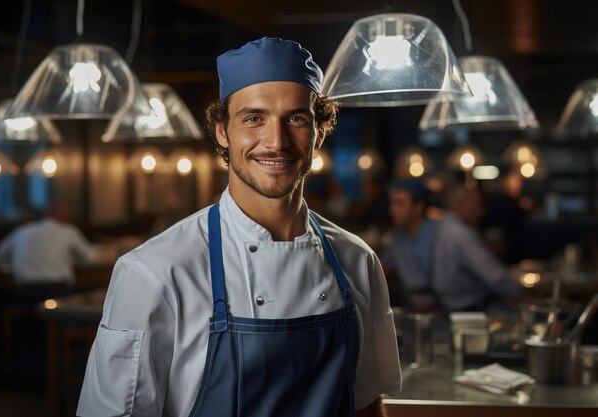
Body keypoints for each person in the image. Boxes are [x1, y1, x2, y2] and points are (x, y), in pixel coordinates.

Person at [78, 37, 401, 417]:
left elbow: (366, 406)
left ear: (320, 132)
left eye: (296, 118)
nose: (276, 141)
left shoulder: (358, 261)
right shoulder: (153, 272)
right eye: (253, 119)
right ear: (222, 131)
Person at [383, 178, 521, 313]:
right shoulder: (398, 239)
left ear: (418, 207)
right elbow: (384, 268)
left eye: (400, 204)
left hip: (470, 312)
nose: (392, 210)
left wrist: (521, 295)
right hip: (426, 316)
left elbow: (496, 276)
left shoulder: (453, 232)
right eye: (391, 203)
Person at [0, 201, 96, 290]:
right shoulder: (68, 230)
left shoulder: (22, 231)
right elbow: (89, 259)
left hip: (25, 291)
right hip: (57, 291)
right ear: (64, 215)